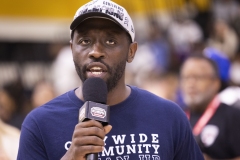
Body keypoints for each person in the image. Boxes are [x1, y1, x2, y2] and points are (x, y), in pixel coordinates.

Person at [17, 0, 204, 159]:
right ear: (72, 49)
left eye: (110, 41)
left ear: (131, 52)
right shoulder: (39, 124)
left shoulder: (169, 116)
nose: (96, 51)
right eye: (84, 41)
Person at [179, 55, 240, 159]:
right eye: (186, 77)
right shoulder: (177, 116)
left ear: (215, 83)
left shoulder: (233, 116)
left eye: (198, 77)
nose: (191, 83)